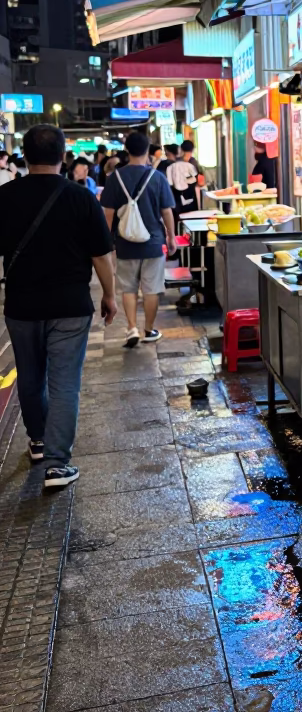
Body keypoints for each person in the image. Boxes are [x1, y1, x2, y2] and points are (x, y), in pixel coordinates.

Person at [0, 124, 116, 488]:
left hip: (21, 305)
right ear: (63, 156)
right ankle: (56, 464)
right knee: (65, 383)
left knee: (30, 377)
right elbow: (101, 256)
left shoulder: (4, 197)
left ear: (25, 156)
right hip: (70, 305)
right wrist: (109, 296)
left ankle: (37, 441)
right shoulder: (80, 198)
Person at [101, 130, 175, 348]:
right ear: (147, 150)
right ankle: (149, 330)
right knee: (151, 288)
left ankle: (131, 327)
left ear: (127, 150)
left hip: (124, 243)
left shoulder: (115, 178)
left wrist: (107, 240)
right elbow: (167, 211)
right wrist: (171, 237)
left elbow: (108, 212)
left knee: (128, 288)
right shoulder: (157, 178)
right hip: (152, 242)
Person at [166, 140, 201, 216]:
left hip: (176, 201)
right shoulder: (194, 163)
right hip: (192, 199)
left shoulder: (172, 164)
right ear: (193, 150)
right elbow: (201, 182)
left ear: (181, 150)